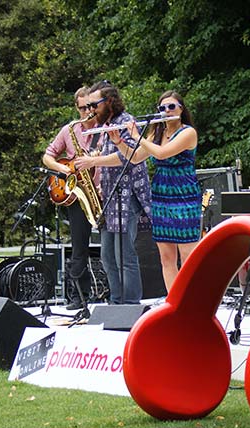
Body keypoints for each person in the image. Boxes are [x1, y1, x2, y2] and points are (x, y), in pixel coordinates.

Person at [104, 90, 201, 291]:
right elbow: (135, 157)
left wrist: (136, 136)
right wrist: (119, 142)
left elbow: (162, 154)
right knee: (166, 258)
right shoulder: (156, 134)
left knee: (188, 257)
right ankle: (174, 302)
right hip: (161, 196)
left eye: (171, 106)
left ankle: (192, 301)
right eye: (162, 108)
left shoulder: (188, 132)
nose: (167, 111)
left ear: (181, 109)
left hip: (184, 196)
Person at [74, 81, 151, 305]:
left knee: (125, 255)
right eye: (88, 106)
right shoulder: (106, 125)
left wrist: (93, 161)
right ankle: (116, 302)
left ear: (108, 101)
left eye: (94, 105)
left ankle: (131, 304)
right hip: (111, 197)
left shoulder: (126, 121)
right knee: (107, 256)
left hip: (128, 197)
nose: (90, 111)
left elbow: (127, 157)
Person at [42, 87, 99, 310]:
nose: (87, 112)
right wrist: (63, 169)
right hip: (78, 195)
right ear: (76, 108)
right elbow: (48, 156)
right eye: (82, 108)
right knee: (78, 247)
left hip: (102, 191)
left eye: (90, 107)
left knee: (112, 246)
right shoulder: (69, 130)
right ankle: (79, 296)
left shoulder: (105, 128)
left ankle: (117, 296)